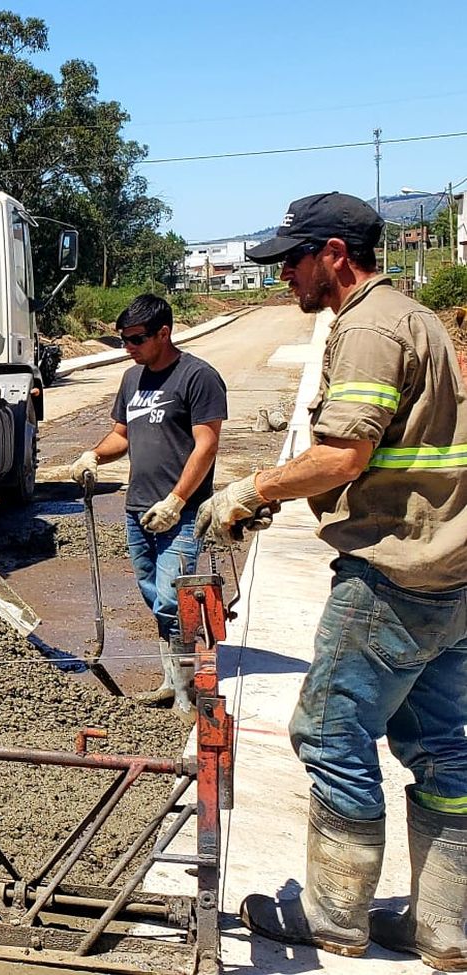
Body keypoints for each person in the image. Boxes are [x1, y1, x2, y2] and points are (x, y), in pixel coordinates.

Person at [197, 192, 467, 968]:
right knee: (440, 745)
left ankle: (334, 912)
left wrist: (253, 489)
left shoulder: (371, 329)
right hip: (449, 570)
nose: (285, 275)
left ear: (336, 253)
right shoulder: (414, 318)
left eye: (292, 259)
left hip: (393, 570)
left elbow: (343, 455)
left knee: (328, 731)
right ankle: (443, 924)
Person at [70, 294, 226, 714]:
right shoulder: (131, 380)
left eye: (136, 339)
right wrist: (94, 456)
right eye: (123, 339)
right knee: (153, 595)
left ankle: (186, 694)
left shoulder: (198, 377)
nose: (129, 348)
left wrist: (177, 500)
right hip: (138, 508)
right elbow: (122, 435)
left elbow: (206, 445)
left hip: (182, 512)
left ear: (164, 332)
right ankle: (169, 680)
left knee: (174, 598)